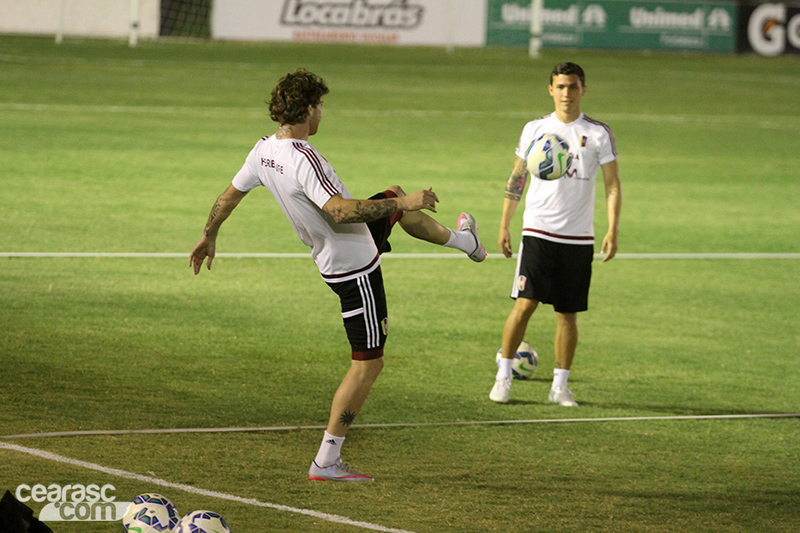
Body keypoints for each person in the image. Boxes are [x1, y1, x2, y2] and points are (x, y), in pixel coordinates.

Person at [190, 68, 487, 482]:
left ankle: (467, 244)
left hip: (347, 244)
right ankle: (326, 460)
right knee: (369, 362)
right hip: (354, 267)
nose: (322, 114)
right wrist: (409, 199)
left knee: (394, 202)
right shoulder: (305, 159)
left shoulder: (263, 150)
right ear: (307, 109)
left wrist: (208, 235)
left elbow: (228, 196)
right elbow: (340, 211)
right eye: (320, 106)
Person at [490, 62, 621, 406]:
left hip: (578, 237)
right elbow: (517, 178)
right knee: (525, 304)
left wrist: (612, 228)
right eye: (561, 87)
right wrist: (505, 222)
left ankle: (560, 386)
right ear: (551, 90)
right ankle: (503, 376)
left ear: (583, 90)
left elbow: (612, 185)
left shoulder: (598, 134)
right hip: (537, 230)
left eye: (573, 86)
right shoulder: (535, 129)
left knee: (567, 313)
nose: (567, 93)